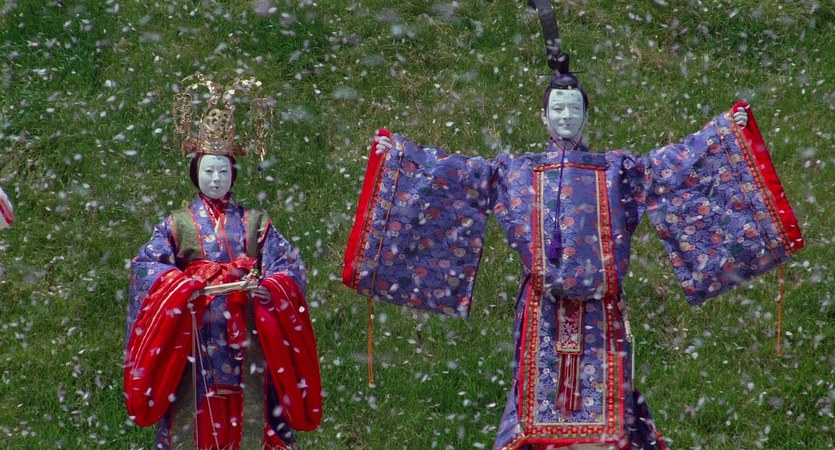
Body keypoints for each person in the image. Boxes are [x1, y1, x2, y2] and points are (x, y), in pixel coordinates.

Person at [343, 71, 803, 450]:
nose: (566, 116)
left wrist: (725, 133)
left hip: (601, 311)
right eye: (558, 108)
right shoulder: (516, 172)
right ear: (543, 116)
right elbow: (455, 175)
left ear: (586, 115)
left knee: (609, 406)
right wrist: (400, 156)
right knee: (536, 404)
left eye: (573, 108)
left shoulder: (617, 170)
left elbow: (677, 166)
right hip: (542, 309)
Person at [124, 74, 321, 449]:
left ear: (234, 174)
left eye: (223, 171)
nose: (216, 179)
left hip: (247, 335)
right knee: (192, 412)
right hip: (193, 336)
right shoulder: (177, 224)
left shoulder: (256, 222)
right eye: (208, 170)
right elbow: (146, 267)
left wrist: (270, 288)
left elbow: (289, 267)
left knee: (252, 410)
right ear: (195, 173)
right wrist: (180, 287)